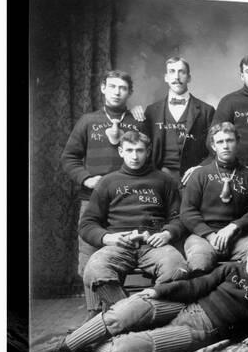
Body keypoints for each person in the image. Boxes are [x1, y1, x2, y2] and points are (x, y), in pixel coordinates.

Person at [31, 238, 248, 352]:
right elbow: (197, 286)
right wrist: (159, 290)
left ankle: (92, 344)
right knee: (125, 310)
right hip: (187, 306)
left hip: (204, 330)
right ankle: (65, 347)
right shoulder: (232, 269)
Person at [61, 70, 148, 309]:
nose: (117, 92)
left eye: (122, 88)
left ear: (129, 92)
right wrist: (86, 179)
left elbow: (148, 157)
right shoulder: (88, 121)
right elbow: (69, 157)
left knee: (120, 252)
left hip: (127, 201)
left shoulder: (138, 121)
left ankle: (117, 311)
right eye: (112, 87)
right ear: (102, 88)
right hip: (93, 199)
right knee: (89, 252)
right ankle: (94, 312)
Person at [79, 130, 189, 319]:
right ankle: (132, 315)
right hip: (119, 244)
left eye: (139, 150)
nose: (135, 156)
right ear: (121, 151)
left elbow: (180, 217)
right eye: (129, 150)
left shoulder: (165, 181)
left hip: (154, 244)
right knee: (94, 268)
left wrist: (167, 233)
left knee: (177, 267)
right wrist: (108, 237)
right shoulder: (108, 182)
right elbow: (87, 223)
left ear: (148, 151)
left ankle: (146, 313)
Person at [180, 122, 248, 275]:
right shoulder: (200, 174)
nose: (225, 146)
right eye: (220, 142)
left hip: (238, 237)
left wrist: (234, 227)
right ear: (213, 146)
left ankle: (239, 296)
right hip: (203, 236)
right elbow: (187, 211)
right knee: (200, 262)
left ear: (237, 143)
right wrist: (210, 236)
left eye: (229, 140)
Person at [143, 57, 215, 184]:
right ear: (166, 77)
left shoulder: (206, 111)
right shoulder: (151, 111)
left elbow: (214, 148)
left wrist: (200, 168)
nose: (176, 77)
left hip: (196, 178)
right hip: (159, 179)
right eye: (172, 71)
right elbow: (144, 146)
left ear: (189, 77)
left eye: (181, 72)